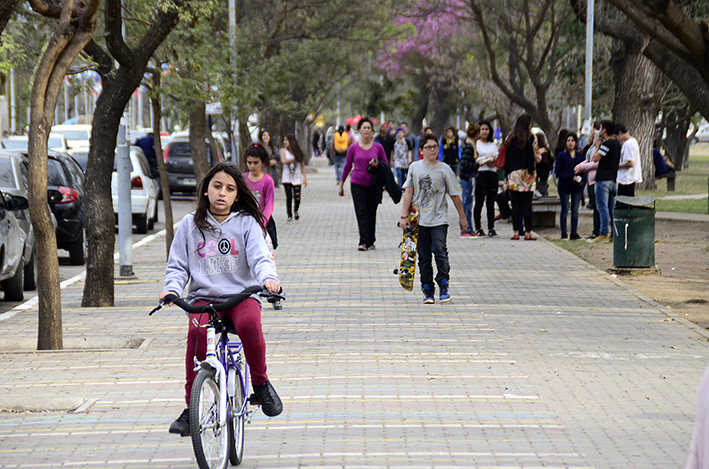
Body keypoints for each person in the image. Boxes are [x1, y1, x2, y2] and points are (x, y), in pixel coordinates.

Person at [161, 162, 283, 436]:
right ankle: (191, 408)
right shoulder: (189, 225)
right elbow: (178, 266)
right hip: (203, 300)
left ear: (237, 195)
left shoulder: (246, 223)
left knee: (250, 326)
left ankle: (261, 384)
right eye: (217, 187)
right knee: (197, 335)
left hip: (241, 297)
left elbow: (260, 258)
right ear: (206, 190)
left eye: (230, 189)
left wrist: (268, 279)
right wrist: (171, 289)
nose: (222, 194)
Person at [400, 133, 468, 304]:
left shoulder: (445, 169)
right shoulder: (415, 167)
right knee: (423, 257)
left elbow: (454, 195)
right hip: (419, 221)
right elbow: (409, 191)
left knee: (440, 252)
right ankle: (427, 289)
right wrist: (403, 216)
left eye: (435, 146)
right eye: (428, 147)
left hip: (439, 220)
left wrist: (462, 217)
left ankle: (443, 284)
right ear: (421, 150)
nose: (432, 150)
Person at [338, 117, 389, 251]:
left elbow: (386, 165)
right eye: (364, 128)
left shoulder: (378, 147)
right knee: (361, 212)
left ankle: (371, 240)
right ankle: (363, 241)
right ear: (359, 130)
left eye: (369, 128)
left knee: (371, 211)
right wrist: (341, 184)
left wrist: (377, 165)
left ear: (372, 131)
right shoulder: (353, 148)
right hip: (357, 183)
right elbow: (347, 166)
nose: (366, 130)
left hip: (373, 184)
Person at [504, 113, 542, 241]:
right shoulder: (532, 138)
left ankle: (515, 232)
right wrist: (540, 154)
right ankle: (528, 233)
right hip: (527, 175)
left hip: (513, 174)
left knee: (515, 204)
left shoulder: (510, 137)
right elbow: (538, 157)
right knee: (527, 205)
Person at [244, 144, 277, 249]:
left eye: (256, 163)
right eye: (249, 163)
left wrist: (262, 222)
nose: (252, 166)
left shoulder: (268, 181)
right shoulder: (242, 180)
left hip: (263, 222)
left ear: (263, 163)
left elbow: (269, 205)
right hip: (246, 221)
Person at [592, 120, 621, 243]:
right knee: (611, 208)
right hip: (613, 179)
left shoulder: (606, 144)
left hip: (603, 179)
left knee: (602, 207)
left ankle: (603, 232)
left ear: (604, 130)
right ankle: (614, 234)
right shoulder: (617, 144)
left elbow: (595, 158)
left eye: (601, 128)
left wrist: (597, 146)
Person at [555, 132, 586, 240]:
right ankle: (564, 232)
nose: (570, 143)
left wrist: (583, 180)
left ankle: (574, 232)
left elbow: (583, 169)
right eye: (568, 140)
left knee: (575, 210)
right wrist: (570, 177)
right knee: (564, 210)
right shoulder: (561, 155)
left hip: (576, 187)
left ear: (576, 142)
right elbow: (558, 171)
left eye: (572, 140)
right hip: (564, 186)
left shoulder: (580, 156)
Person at [575, 123, 602, 240]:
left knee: (598, 206)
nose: (590, 130)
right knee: (594, 206)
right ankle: (595, 230)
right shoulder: (592, 145)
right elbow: (588, 159)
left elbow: (597, 162)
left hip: (597, 179)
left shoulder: (600, 145)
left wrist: (584, 167)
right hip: (590, 180)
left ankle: (600, 231)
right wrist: (580, 165)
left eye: (592, 128)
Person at [474, 120, 499, 237]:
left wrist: (493, 159)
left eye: (486, 129)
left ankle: (491, 227)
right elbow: (476, 159)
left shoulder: (493, 145)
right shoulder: (476, 144)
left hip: (492, 174)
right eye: (482, 129)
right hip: (481, 174)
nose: (484, 132)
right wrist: (485, 158)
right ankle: (478, 227)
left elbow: (497, 157)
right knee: (479, 202)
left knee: (491, 203)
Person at [458, 122, 480, 237]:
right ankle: (465, 229)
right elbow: (465, 163)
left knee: (469, 202)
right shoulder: (469, 146)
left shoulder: (471, 145)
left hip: (469, 177)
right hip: (467, 177)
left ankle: (469, 228)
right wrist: (477, 165)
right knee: (466, 202)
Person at [280, 134, 307, 222]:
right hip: (286, 177)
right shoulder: (283, 151)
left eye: (286, 140)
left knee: (297, 197)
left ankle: (296, 210)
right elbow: (283, 161)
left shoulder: (298, 152)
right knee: (289, 196)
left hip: (297, 177)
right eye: (284, 140)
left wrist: (305, 178)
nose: (285, 142)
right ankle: (289, 215)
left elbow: (302, 166)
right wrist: (294, 158)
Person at [616, 124, 642, 196]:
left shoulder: (628, 144)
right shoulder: (633, 141)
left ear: (620, 133)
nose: (617, 139)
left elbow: (631, 163)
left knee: (624, 202)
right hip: (629, 178)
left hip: (626, 178)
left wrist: (617, 166)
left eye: (616, 136)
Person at [535, 131, 552, 196]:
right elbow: (551, 160)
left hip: (537, 169)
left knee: (536, 184)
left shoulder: (535, 151)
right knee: (543, 184)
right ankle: (544, 194)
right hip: (545, 170)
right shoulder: (546, 150)